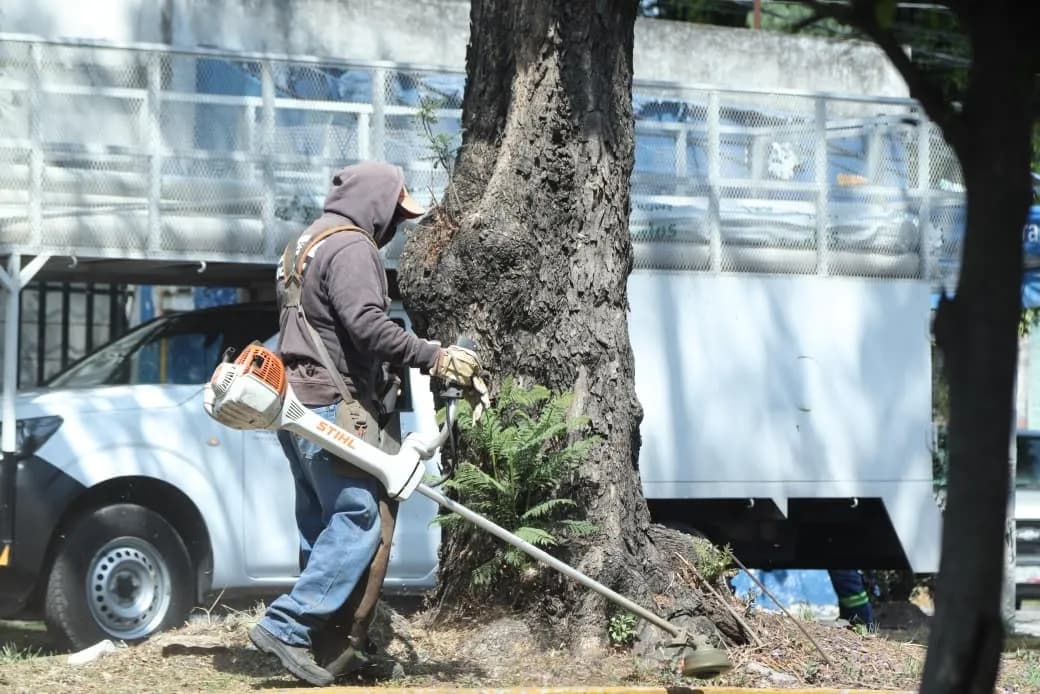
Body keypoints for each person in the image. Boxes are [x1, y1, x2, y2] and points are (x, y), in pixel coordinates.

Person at [248, 161, 486, 686]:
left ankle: (325, 644)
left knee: (321, 526)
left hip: (297, 405)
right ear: (377, 203)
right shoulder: (352, 247)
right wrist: (434, 356)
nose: (395, 228)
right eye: (395, 215)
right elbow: (367, 326)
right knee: (359, 520)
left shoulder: (303, 244)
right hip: (337, 406)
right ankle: (287, 625)